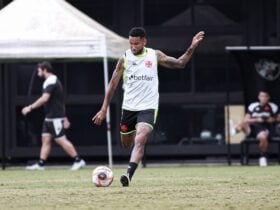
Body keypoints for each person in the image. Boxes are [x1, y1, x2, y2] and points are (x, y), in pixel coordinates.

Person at [92, 27, 204, 186]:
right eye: (131, 44)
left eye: (136, 44)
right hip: (129, 108)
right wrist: (103, 109)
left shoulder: (154, 55)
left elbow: (180, 63)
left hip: (148, 107)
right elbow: (112, 84)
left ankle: (128, 175)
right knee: (126, 143)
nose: (133, 47)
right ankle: (132, 151)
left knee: (140, 138)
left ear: (144, 41)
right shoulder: (125, 58)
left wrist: (192, 46)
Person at [22, 61, 86, 170]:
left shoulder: (51, 81)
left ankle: (78, 160)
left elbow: (44, 98)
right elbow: (60, 101)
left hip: (55, 117)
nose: (38, 72)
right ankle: (41, 164)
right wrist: (65, 117)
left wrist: (30, 107)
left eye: (39, 70)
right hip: (49, 117)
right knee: (45, 139)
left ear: (45, 70)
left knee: (60, 139)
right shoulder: (49, 81)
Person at [230, 91, 279, 166]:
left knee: (263, 136)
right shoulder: (253, 106)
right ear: (259, 97)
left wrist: (272, 119)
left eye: (265, 96)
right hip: (252, 129)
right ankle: (236, 129)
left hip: (264, 128)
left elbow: (278, 118)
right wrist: (256, 119)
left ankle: (263, 157)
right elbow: (246, 119)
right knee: (244, 122)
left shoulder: (272, 106)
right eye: (262, 96)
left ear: (268, 98)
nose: (264, 98)